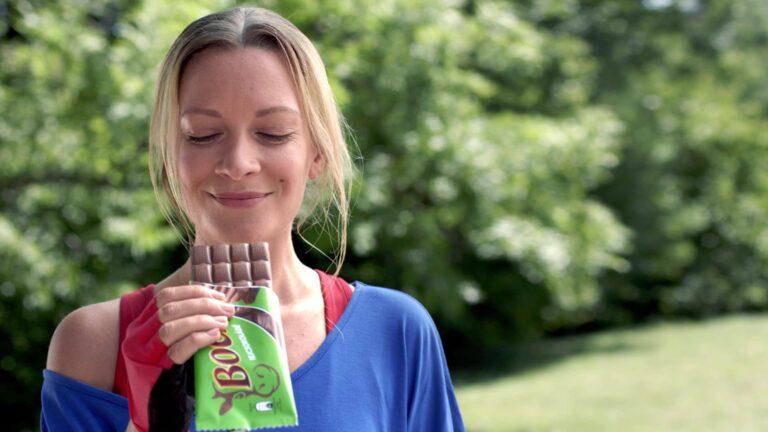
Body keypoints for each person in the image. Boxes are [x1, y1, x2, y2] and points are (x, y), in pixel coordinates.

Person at [41, 6, 464, 431]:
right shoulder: (95, 345)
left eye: (273, 133)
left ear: (316, 153)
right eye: (203, 134)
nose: (238, 163)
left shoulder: (394, 331)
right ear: (170, 153)